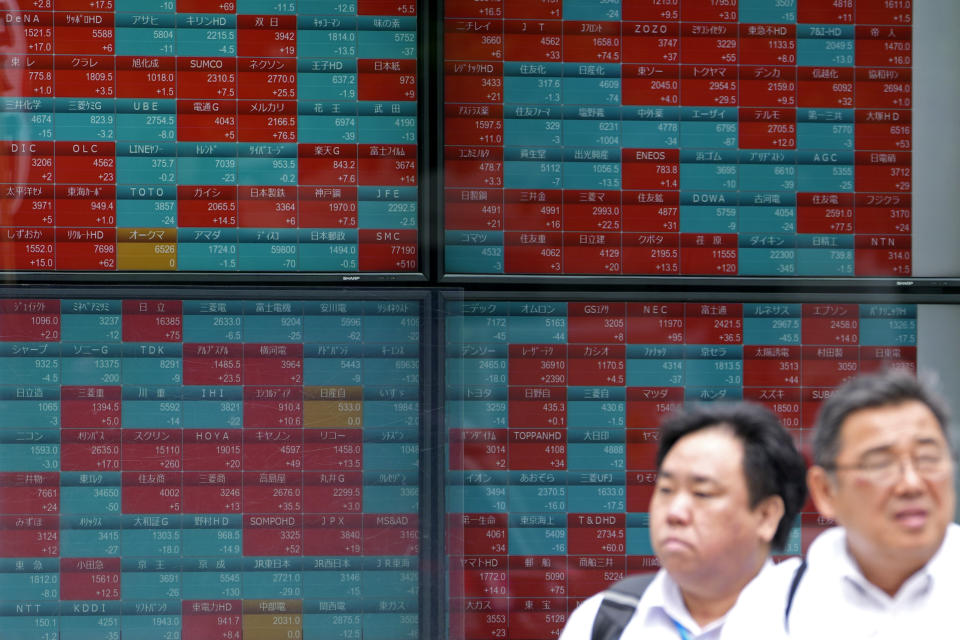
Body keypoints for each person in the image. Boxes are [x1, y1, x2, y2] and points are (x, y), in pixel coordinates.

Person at [558, 402, 807, 640]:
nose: (675, 513)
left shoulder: (813, 621)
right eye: (666, 489)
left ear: (766, 516)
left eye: (702, 493)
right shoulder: (605, 618)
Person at [784, 370, 958, 638]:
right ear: (826, 491)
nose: (911, 484)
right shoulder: (775, 605)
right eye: (880, 464)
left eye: (928, 457)